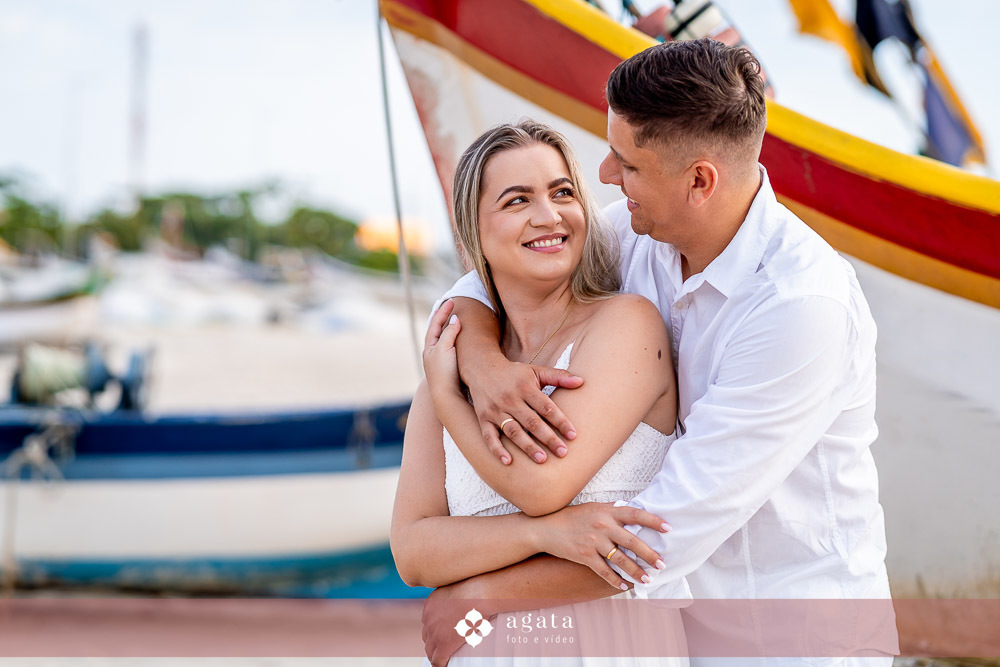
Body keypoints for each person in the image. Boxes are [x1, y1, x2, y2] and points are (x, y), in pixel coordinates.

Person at [423, 39, 897, 665]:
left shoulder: (800, 307)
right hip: (676, 640)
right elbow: (479, 282)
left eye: (627, 164)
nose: (606, 178)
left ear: (700, 180)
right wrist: (485, 366)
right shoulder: (638, 232)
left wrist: (480, 596)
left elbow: (663, 535)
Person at [390, 120, 691, 666]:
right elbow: (413, 551)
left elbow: (540, 484)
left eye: (563, 192)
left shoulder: (626, 325)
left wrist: (452, 400)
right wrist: (548, 535)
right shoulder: (455, 365)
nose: (549, 216)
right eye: (517, 201)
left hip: (611, 646)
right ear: (472, 233)